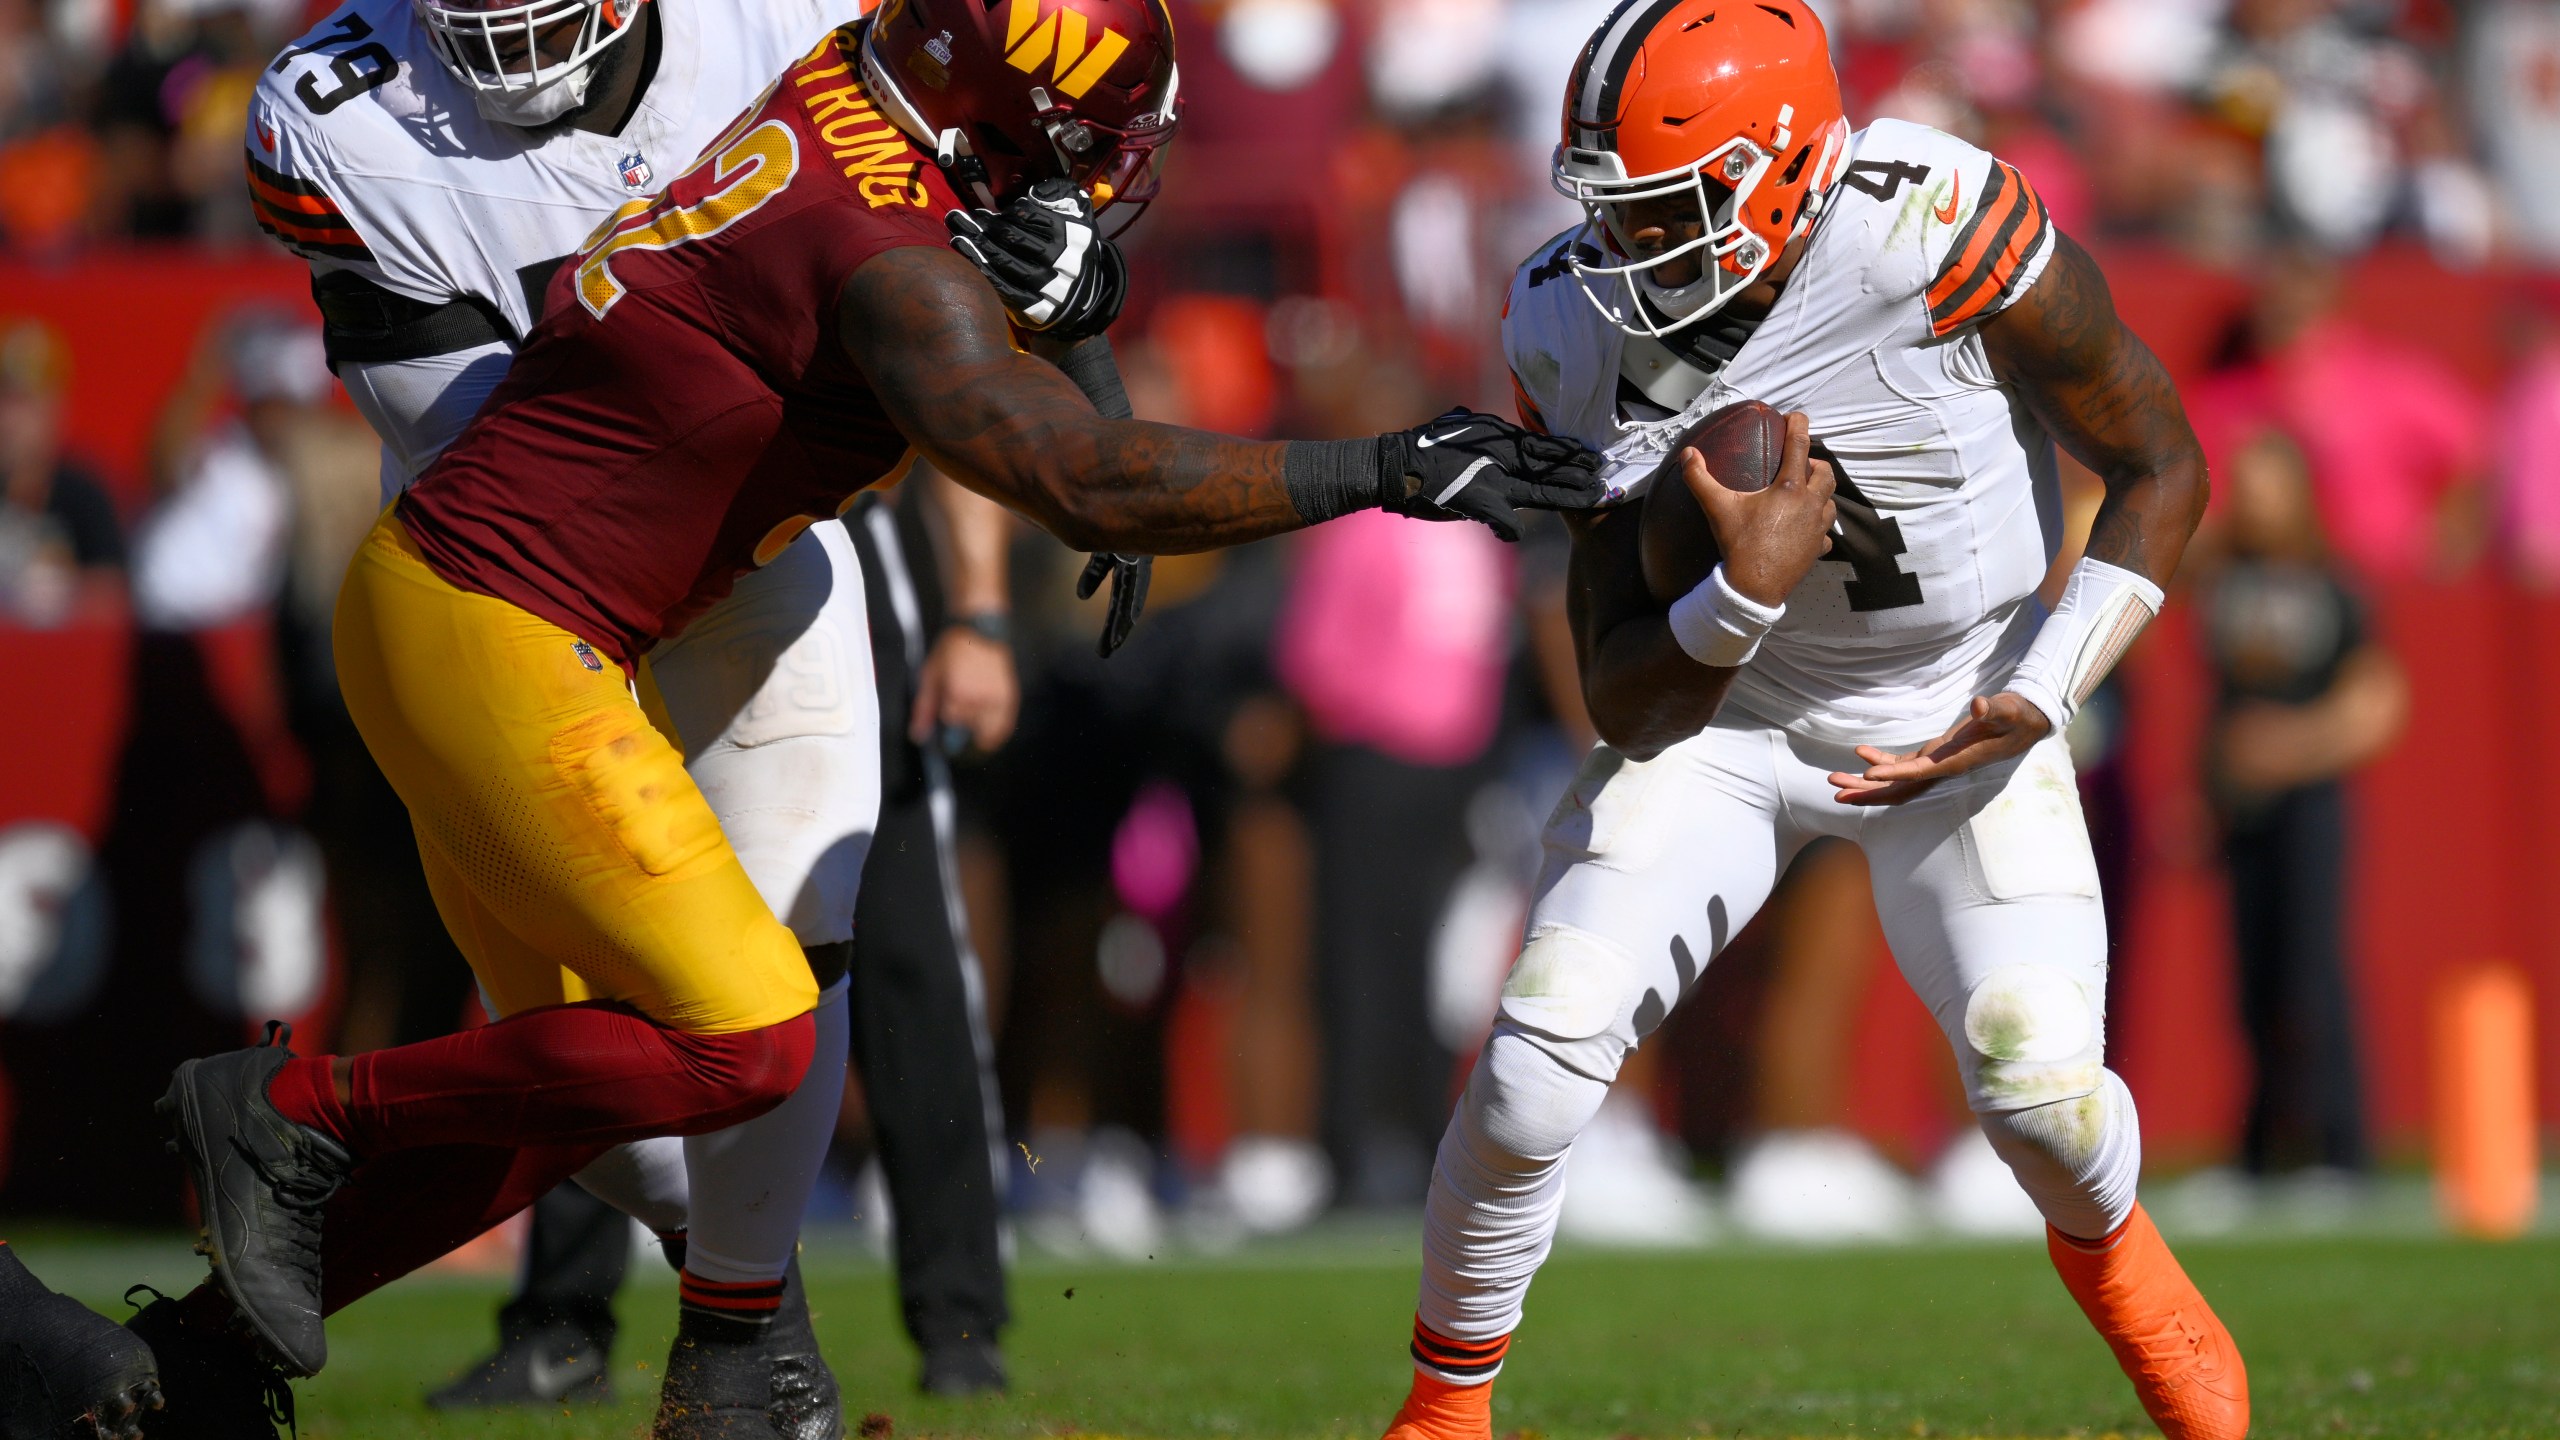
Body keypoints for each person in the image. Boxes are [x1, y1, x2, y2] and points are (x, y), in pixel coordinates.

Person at [134, 1, 1602, 1435]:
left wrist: (1075, 315)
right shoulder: (890, 263)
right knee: (749, 1039)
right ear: (997, 121)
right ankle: (301, 1109)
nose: (1100, 175)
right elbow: (1076, 477)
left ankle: (177, 1366)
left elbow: (995, 268)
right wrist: (1391, 467)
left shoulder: (851, 72)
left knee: (581, 1086)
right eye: (1082, 142)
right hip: (506, 630)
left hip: (492, 606)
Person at [1375, 5, 2244, 1440]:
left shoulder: (1934, 224)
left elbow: (2158, 457)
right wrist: (1743, 600)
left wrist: (2042, 686)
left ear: (1782, 169)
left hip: (1961, 693)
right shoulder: (1569, 317)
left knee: (2043, 1097)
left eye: (1667, 210)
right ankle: (1442, 1409)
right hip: (1732, 725)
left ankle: (2119, 1259)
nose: (1626, 254)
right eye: (1613, 211)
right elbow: (1623, 687)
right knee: (1536, 1059)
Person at [221, 0, 1050, 1420]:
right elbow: (491, 448)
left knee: (810, 953)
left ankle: (737, 1343)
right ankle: (738, 1293)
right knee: (602, 1063)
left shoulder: (788, 21)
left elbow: (982, 208)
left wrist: (1045, 275)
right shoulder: (333, 108)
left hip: (763, 558)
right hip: (512, 580)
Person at [2201, 429, 2406, 1183]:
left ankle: (2339, 1151)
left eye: (2268, 481)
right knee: (2248, 984)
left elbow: (2379, 701)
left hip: (2310, 805)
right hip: (2240, 810)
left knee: (2312, 975)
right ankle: (2258, 1157)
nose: (2254, 497)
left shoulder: (2334, 584)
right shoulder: (2223, 577)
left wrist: (2290, 748)